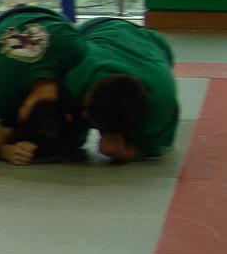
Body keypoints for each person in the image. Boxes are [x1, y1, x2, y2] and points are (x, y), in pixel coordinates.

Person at [0, 4, 84, 166]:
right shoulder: (0, 97)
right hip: (5, 21)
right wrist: (6, 143)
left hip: (51, 16)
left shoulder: (75, 50)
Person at [62, 17, 179, 162]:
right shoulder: (75, 75)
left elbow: (158, 145)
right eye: (86, 109)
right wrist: (69, 143)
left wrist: (127, 152)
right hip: (95, 29)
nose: (84, 114)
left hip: (151, 44)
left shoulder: (161, 102)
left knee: (146, 136)